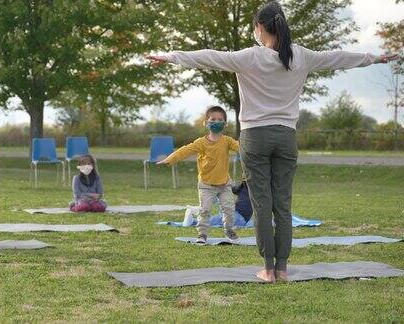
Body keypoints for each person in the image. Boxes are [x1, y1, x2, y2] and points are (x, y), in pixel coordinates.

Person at [147, 1, 398, 282]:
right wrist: (373, 58)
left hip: (255, 137)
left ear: (259, 27)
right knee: (283, 204)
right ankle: (282, 268)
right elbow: (337, 58)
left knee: (262, 204)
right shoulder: (300, 56)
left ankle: (268, 269)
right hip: (286, 137)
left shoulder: (249, 57)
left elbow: (208, 56)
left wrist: (170, 57)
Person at [159, 105, 240, 244]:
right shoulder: (201, 143)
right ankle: (202, 234)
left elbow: (241, 148)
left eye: (220, 119)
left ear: (225, 124)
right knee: (205, 210)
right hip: (206, 185)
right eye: (213, 119)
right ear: (206, 123)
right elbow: (184, 150)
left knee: (229, 209)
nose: (216, 122)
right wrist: (170, 159)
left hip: (224, 184)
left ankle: (229, 229)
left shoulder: (227, 141)